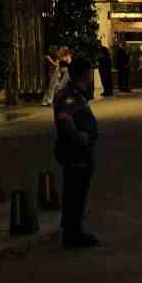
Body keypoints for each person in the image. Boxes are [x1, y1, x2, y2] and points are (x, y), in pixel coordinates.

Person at [52, 55, 100, 249]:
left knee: (76, 191)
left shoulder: (74, 93)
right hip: (76, 152)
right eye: (89, 72)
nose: (91, 77)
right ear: (84, 74)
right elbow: (64, 118)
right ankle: (73, 232)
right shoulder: (70, 95)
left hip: (77, 151)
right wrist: (81, 137)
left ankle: (73, 229)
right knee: (75, 192)